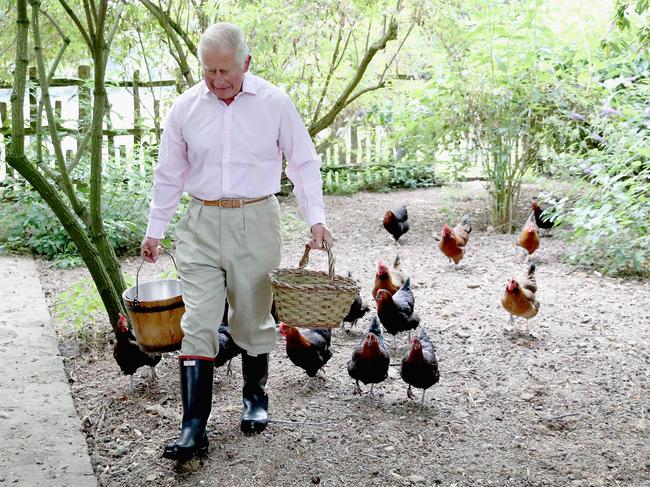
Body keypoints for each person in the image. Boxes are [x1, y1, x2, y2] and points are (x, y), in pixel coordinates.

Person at [140, 22, 333, 461]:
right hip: (201, 221)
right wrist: (156, 229)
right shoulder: (185, 107)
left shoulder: (275, 103)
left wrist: (316, 220)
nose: (217, 80)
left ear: (246, 63)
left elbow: (303, 163)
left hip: (256, 218)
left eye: (225, 70)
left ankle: (255, 397)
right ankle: (193, 427)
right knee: (198, 322)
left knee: (251, 317)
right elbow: (169, 173)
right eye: (209, 70)